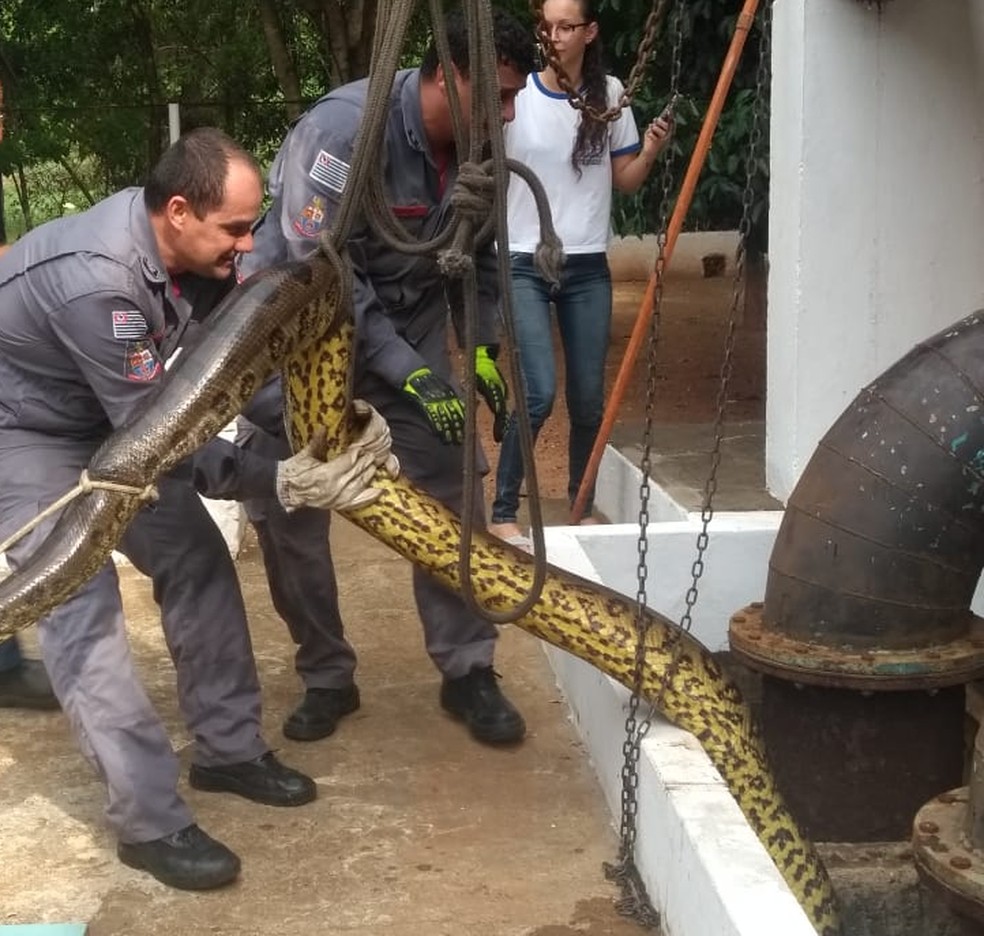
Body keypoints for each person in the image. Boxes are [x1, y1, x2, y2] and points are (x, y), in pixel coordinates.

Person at [0, 128, 394, 890]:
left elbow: (222, 378)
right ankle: (150, 822)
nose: (250, 248)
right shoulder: (99, 285)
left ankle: (229, 750)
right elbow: (158, 436)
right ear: (179, 211)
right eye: (237, 230)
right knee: (80, 602)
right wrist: (273, 479)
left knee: (196, 561)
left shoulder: (186, 252)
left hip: (111, 418)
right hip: (28, 434)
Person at [238, 8, 537, 747]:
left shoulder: (484, 152)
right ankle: (326, 674)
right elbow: (325, 276)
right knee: (291, 506)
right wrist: (409, 373)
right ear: (445, 73)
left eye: (513, 101)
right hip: (298, 340)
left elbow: (484, 258)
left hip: (406, 327)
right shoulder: (341, 135)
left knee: (454, 483)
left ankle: (468, 668)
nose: (506, 115)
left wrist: (482, 351)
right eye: (495, 96)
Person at [488, 0, 672, 547]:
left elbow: (626, 180)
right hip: (522, 258)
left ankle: (579, 502)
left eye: (567, 27)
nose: (554, 36)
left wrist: (654, 150)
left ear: (589, 32)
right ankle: (503, 510)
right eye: (546, 26)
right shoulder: (514, 95)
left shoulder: (610, 97)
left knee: (589, 397)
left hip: (587, 264)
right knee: (539, 391)